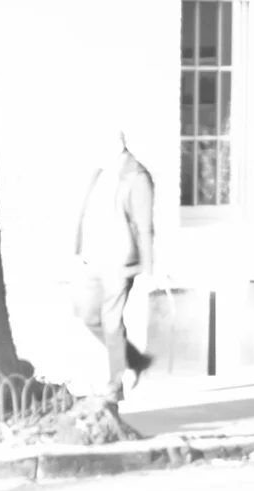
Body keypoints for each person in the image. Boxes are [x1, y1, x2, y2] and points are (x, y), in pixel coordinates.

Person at [70, 133, 157, 411]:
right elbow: (86, 212)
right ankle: (134, 360)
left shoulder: (138, 177)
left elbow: (144, 224)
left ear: (119, 148)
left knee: (111, 320)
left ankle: (115, 384)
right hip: (92, 257)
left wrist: (149, 264)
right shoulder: (99, 173)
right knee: (86, 314)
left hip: (119, 260)